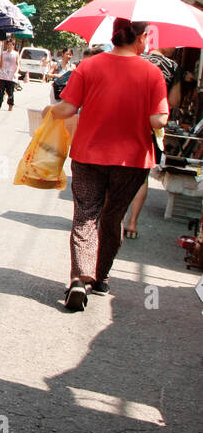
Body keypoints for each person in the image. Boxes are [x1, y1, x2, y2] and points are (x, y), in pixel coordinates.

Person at [46, 19, 169, 311]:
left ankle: (79, 279)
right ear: (141, 38)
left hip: (89, 155)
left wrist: (49, 111)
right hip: (133, 160)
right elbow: (159, 121)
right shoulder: (152, 73)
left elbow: (66, 109)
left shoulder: (89, 67)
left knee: (86, 215)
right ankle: (100, 278)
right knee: (112, 217)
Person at [121, 44, 184, 238]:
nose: (175, 48)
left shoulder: (136, 60)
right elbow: (174, 102)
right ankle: (132, 223)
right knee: (141, 176)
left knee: (119, 171)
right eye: (174, 45)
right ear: (165, 45)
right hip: (152, 128)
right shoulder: (173, 67)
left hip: (126, 124)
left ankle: (118, 220)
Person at [0, 38, 19, 109]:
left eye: (11, 45)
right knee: (1, 91)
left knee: (10, 92)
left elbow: (18, 64)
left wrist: (16, 72)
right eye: (8, 45)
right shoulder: (3, 53)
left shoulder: (15, 54)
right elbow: (0, 63)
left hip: (11, 76)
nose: (9, 46)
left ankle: (10, 104)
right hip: (3, 75)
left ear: (13, 46)